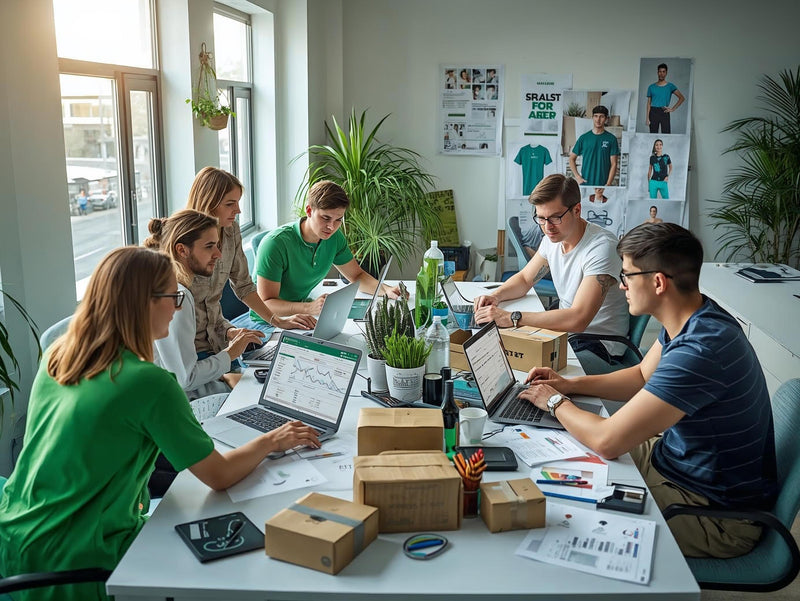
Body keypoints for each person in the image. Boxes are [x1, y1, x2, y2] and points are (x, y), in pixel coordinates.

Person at [0, 247, 320, 601]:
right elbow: (219, 476)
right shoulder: (148, 382)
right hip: (74, 561)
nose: (178, 308)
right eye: (174, 297)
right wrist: (274, 439)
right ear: (144, 303)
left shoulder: (60, 356)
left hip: (16, 536)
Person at [519, 223, 777, 558]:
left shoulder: (701, 351)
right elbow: (642, 375)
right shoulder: (696, 315)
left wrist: (554, 400)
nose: (622, 285)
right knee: (562, 456)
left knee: (566, 519)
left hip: (713, 513)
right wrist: (570, 385)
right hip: (676, 462)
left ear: (658, 282)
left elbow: (607, 440)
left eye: (627, 275)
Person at [474, 174, 629, 364]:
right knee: (499, 349)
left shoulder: (601, 248)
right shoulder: (552, 239)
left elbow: (578, 319)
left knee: (520, 364)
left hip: (598, 345)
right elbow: (524, 279)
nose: (548, 227)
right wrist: (496, 296)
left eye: (555, 217)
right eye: (541, 218)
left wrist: (512, 318)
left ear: (577, 210)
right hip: (568, 334)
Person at [185, 167, 314, 357]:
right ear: (208, 203)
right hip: (191, 348)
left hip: (219, 339)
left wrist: (278, 321)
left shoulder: (231, 230)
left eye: (237, 202)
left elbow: (243, 285)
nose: (237, 210)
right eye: (230, 204)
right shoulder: (183, 243)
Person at [145, 210, 263, 399]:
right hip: (181, 400)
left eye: (217, 245)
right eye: (209, 247)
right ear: (182, 250)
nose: (218, 254)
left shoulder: (172, 286)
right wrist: (231, 353)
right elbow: (186, 379)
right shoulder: (177, 298)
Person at [250, 180, 402, 324]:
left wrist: (386, 290)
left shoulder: (334, 238)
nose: (331, 226)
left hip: (302, 315)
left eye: (338, 220)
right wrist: (308, 308)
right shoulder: (275, 244)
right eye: (325, 218)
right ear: (309, 210)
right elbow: (266, 304)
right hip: (269, 322)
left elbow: (356, 275)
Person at [569, 105, 620, 187]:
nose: (598, 119)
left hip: (603, 185)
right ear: (592, 117)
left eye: (601, 117)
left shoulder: (611, 139)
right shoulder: (584, 138)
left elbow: (614, 164)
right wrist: (578, 177)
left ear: (606, 119)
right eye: (596, 116)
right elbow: (571, 159)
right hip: (585, 183)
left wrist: (608, 183)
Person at [646, 63, 685, 134]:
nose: (661, 73)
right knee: (653, 135)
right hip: (653, 112)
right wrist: (647, 118)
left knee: (666, 134)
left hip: (664, 111)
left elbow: (681, 98)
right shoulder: (651, 87)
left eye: (663, 72)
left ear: (666, 73)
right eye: (660, 71)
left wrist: (673, 109)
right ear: (657, 73)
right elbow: (649, 103)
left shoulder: (670, 86)